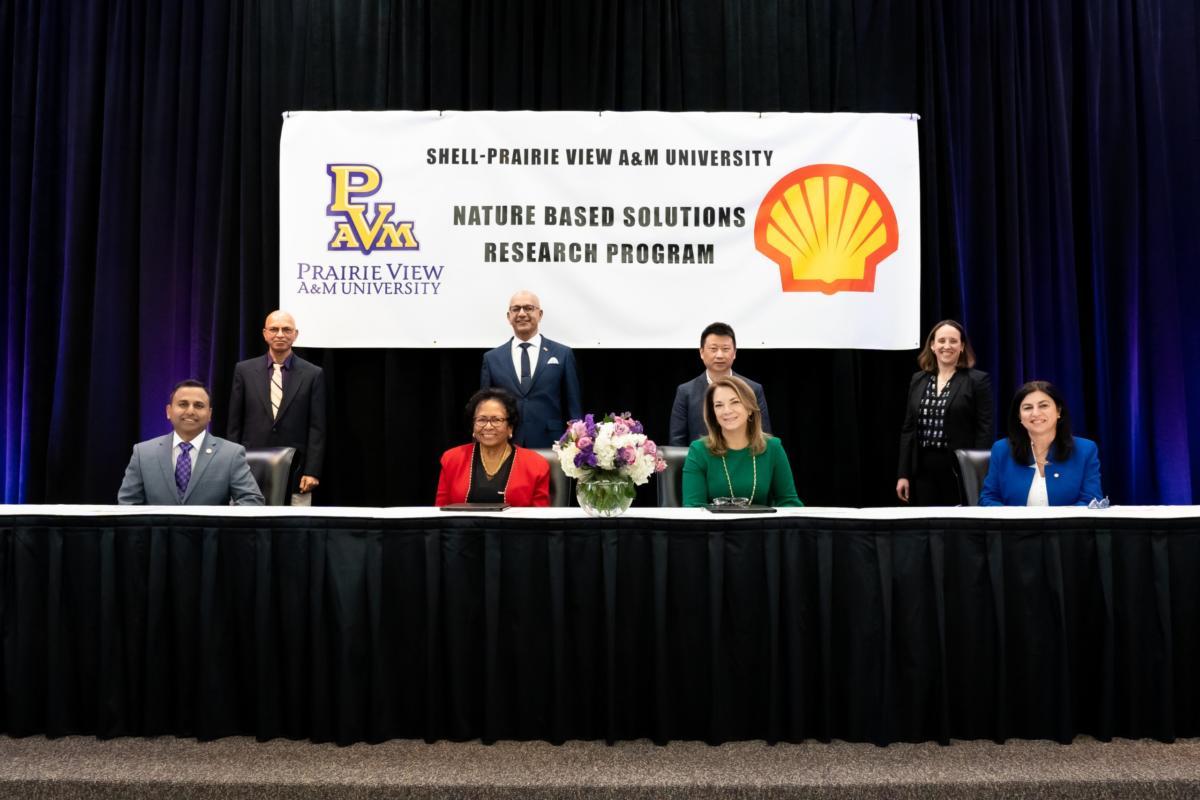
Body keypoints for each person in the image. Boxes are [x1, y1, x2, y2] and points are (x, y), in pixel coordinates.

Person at [227, 310, 326, 504]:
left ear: (295, 334)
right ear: (265, 334)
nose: (280, 334)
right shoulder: (244, 371)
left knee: (292, 532)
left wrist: (312, 471)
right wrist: (232, 467)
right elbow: (234, 424)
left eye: (286, 329)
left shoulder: (313, 374)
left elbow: (317, 428)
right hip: (248, 469)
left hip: (296, 473)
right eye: (274, 329)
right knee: (247, 529)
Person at [118, 380, 264, 505]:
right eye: (183, 404)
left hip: (209, 537)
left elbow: (252, 500)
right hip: (157, 537)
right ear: (168, 411)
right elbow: (128, 503)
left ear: (210, 414)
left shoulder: (231, 454)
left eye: (199, 406)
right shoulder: (143, 453)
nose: (190, 411)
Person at [896, 319, 993, 505]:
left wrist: (978, 473)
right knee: (927, 527)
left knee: (956, 527)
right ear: (932, 345)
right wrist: (903, 474)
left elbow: (985, 430)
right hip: (922, 470)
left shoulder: (978, 381)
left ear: (962, 346)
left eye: (953, 341)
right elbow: (908, 430)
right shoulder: (918, 379)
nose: (946, 346)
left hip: (959, 469)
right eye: (941, 341)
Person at [480, 290, 581, 448]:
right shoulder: (492, 358)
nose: (521, 314)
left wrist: (577, 443)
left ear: (540, 314)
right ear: (509, 316)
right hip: (506, 444)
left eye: (528, 308)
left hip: (551, 443)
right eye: (516, 309)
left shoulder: (562, 354)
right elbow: (485, 407)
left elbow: (573, 406)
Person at [681, 376, 802, 507]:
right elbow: (693, 508)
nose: (727, 411)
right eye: (719, 405)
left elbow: (789, 502)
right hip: (715, 526)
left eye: (735, 402)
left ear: (750, 408)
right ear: (713, 413)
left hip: (761, 526)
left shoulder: (773, 447)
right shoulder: (699, 450)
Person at [979, 380, 1103, 506]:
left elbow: (1091, 501)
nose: (1036, 413)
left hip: (1068, 526)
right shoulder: (1001, 449)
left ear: (1058, 411)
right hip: (1014, 525)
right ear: (1019, 416)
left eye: (1043, 405)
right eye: (1027, 408)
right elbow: (988, 499)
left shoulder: (1085, 450)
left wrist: (1060, 523)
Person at [436, 388, 550, 506]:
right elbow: (441, 512)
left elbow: (539, 518)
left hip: (515, 525)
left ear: (510, 427)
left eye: (496, 420)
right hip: (464, 525)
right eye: (481, 420)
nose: (488, 426)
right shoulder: (452, 459)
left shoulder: (535, 464)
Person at [670, 322, 772, 446]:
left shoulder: (753, 389)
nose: (719, 355)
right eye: (713, 349)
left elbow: (764, 435)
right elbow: (677, 442)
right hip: (701, 463)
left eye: (725, 349)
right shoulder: (686, 392)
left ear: (734, 353)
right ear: (701, 352)